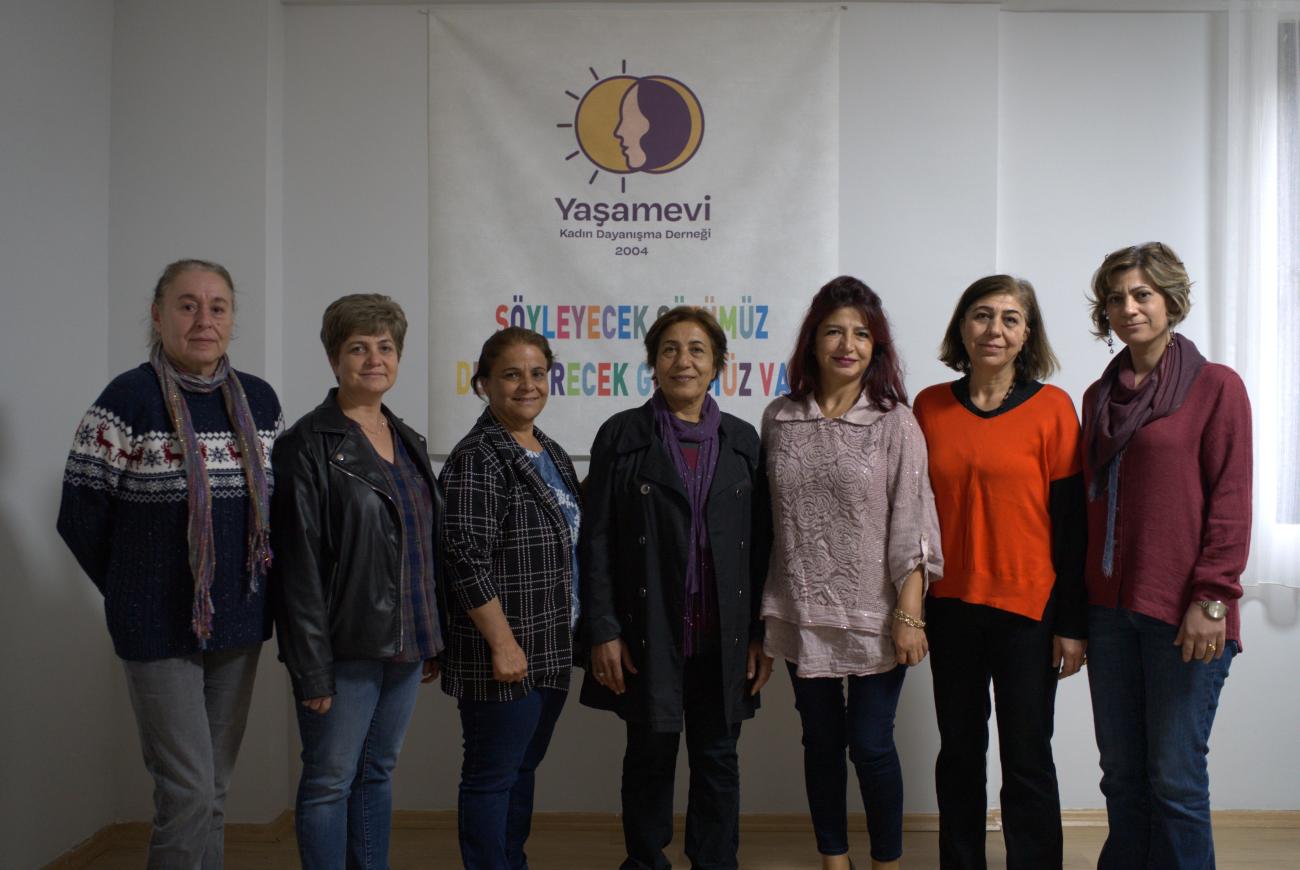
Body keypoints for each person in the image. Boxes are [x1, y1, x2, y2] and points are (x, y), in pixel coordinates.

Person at [57, 259, 280, 868]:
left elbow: (274, 514)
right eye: (187, 305)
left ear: (232, 319)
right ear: (158, 316)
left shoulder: (260, 401)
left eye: (217, 307)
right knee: (185, 791)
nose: (203, 319)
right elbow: (79, 517)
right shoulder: (127, 400)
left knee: (210, 790)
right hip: (155, 627)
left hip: (238, 622)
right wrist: (138, 588)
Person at [761, 277, 943, 870]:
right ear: (812, 341)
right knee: (820, 742)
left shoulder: (896, 423)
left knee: (869, 745)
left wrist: (910, 614)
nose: (848, 344)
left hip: (877, 613)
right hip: (798, 607)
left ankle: (885, 861)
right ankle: (833, 859)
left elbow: (912, 524)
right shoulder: (779, 418)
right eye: (834, 331)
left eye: (862, 334)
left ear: (877, 347)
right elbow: (768, 519)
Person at [580, 306, 771, 870]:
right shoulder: (622, 435)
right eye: (669, 349)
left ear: (717, 365)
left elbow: (762, 548)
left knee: (718, 758)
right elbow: (595, 542)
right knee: (649, 755)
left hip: (724, 637)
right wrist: (603, 630)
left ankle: (715, 862)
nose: (682, 360)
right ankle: (645, 861)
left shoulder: (743, 441)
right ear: (652, 364)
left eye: (696, 350)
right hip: (646, 634)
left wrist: (760, 633)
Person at [1081, 242, 1250, 869]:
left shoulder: (1215, 387)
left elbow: (1231, 500)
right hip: (1108, 614)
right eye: (1116, 298)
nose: (1128, 308)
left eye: (1142, 295)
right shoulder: (1098, 398)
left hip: (1185, 612)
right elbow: (1091, 511)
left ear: (1170, 301)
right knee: (1122, 777)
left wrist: (1212, 598)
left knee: (1175, 779)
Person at [913, 275, 1087, 870]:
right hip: (951, 606)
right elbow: (912, 516)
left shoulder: (1054, 409)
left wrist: (1071, 623)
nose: (995, 329)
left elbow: (1070, 525)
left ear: (1027, 334)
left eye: (1011, 318)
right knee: (959, 752)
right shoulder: (929, 406)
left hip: (1029, 612)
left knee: (1028, 756)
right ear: (962, 326)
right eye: (983, 316)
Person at [271, 294, 443, 869]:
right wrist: (310, 667)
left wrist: (430, 635)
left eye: (385, 347)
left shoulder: (411, 441)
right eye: (358, 348)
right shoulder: (306, 445)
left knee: (377, 774)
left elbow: (422, 546)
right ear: (334, 358)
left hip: (406, 643)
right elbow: (297, 570)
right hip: (344, 651)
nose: (374, 359)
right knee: (328, 781)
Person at [439, 327, 581, 869]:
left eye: (538, 373)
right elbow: (462, 555)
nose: (527, 385)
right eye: (511, 374)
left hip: (548, 647)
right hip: (502, 652)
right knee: (491, 778)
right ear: (483, 384)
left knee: (521, 770)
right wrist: (502, 644)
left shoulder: (551, 451)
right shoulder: (480, 455)